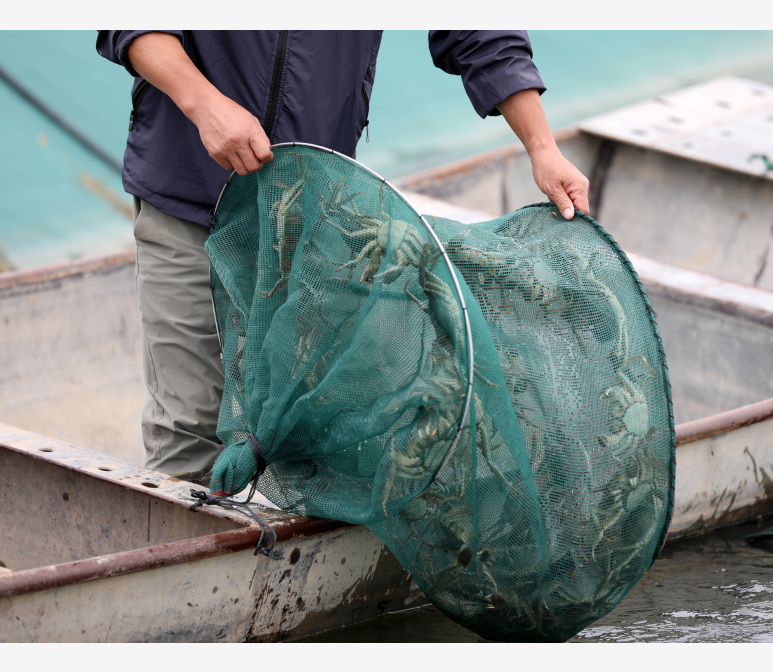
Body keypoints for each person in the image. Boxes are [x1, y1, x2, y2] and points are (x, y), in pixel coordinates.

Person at [97, 30, 591, 485]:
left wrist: (542, 146)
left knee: (323, 428)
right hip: (187, 196)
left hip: (312, 210)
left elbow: (479, 29)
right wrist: (204, 105)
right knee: (189, 431)